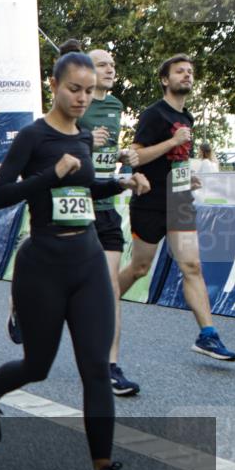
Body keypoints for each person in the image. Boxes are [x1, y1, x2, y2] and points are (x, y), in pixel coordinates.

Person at [0, 50, 149, 470]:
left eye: (88, 91)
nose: (82, 98)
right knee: (37, 366)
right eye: (74, 89)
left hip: (87, 261)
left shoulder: (84, 135)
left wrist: (122, 183)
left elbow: (84, 188)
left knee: (95, 368)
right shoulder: (33, 136)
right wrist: (51, 173)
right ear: (53, 85)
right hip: (43, 265)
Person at [118, 55, 235, 361]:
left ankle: (207, 335)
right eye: (179, 71)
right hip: (150, 202)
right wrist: (172, 142)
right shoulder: (154, 115)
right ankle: (99, 305)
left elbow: (175, 161)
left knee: (192, 266)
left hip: (180, 202)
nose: (187, 75)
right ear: (164, 79)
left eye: (190, 72)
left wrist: (186, 176)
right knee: (140, 267)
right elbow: (136, 158)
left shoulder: (188, 118)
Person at [77, 46, 143, 396]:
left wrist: (124, 157)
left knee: (110, 287)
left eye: (113, 64)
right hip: (75, 207)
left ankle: (110, 366)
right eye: (102, 64)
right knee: (59, 284)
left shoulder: (116, 106)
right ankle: (22, 308)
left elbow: (108, 155)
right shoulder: (75, 104)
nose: (110, 69)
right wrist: (86, 141)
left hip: (106, 207)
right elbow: (54, 150)